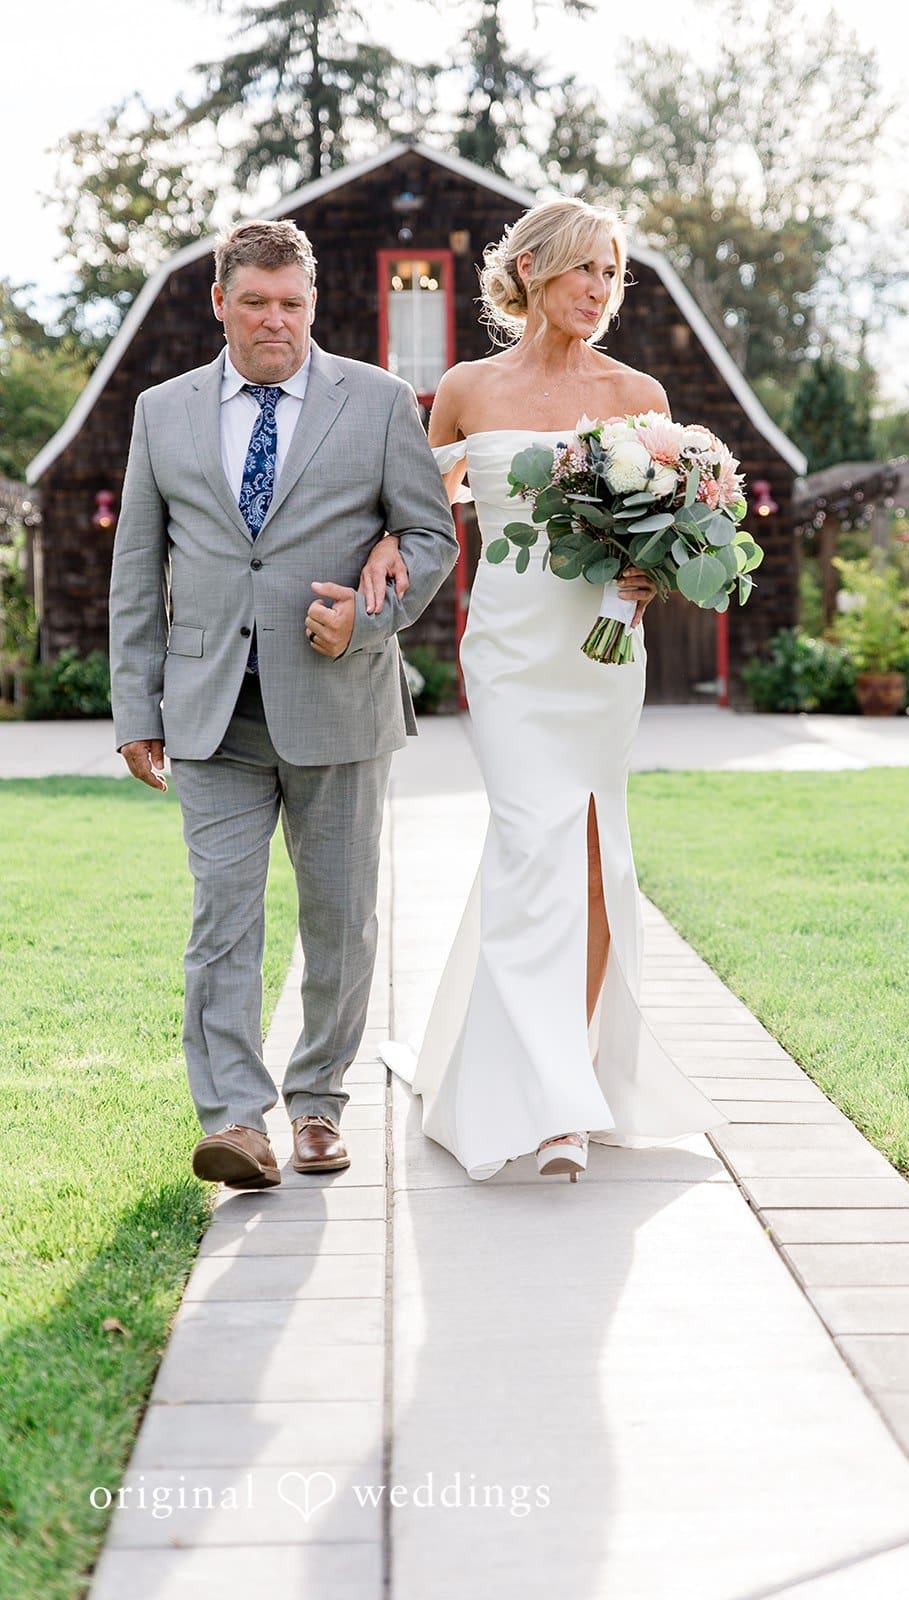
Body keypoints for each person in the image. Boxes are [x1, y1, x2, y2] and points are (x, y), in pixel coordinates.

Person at [381, 197, 726, 1181]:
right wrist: (372, 594)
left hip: (598, 654)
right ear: (529, 269)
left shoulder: (639, 393)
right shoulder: (463, 389)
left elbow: (675, 532)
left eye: (610, 275)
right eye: (582, 269)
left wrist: (650, 571)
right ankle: (542, 1098)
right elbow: (418, 517)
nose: (597, 290)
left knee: (585, 859)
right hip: (506, 650)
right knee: (531, 844)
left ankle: (565, 1079)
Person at [109, 218, 458, 1188]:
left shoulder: (381, 402)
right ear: (218, 302)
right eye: (254, 302)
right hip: (208, 705)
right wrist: (135, 706)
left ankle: (316, 1104)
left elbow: (428, 539)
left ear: (315, 306)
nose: (275, 321)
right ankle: (235, 1118)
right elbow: (138, 568)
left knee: (340, 919)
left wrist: (369, 622)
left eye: (292, 304)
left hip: (341, 700)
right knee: (221, 913)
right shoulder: (162, 413)